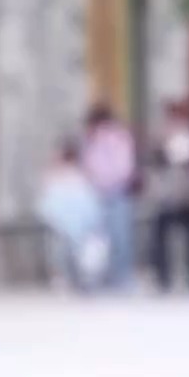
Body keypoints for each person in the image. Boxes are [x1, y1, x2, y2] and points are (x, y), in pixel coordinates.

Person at [146, 100, 189, 292]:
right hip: (168, 191)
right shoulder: (162, 134)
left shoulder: (188, 134)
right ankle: (164, 277)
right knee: (162, 233)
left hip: (186, 191)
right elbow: (155, 160)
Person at [35, 141, 108, 293]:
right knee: (62, 249)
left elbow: (86, 202)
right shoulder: (61, 176)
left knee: (67, 250)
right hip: (64, 223)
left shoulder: (76, 176)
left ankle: (70, 277)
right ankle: (68, 277)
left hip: (71, 223)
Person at [80, 104, 138, 291]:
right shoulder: (110, 138)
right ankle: (117, 276)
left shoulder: (110, 138)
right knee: (114, 236)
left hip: (108, 191)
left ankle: (114, 276)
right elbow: (125, 165)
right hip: (108, 190)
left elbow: (119, 165)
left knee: (110, 237)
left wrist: (101, 181)